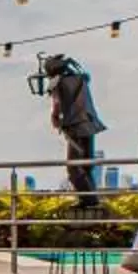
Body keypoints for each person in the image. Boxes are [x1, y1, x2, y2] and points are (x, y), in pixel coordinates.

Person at [33, 53, 104, 197]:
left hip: (75, 126)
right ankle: (92, 200)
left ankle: (88, 201)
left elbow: (57, 103)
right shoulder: (80, 78)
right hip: (89, 123)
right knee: (86, 167)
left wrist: (55, 117)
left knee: (73, 168)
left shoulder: (57, 82)